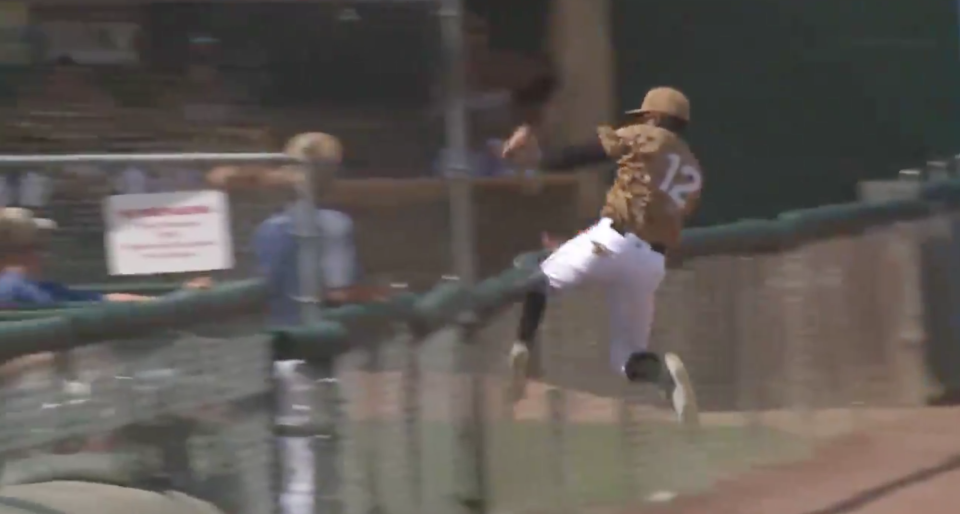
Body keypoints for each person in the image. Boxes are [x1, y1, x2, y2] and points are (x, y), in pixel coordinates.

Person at [501, 86, 702, 426]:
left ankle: (522, 347)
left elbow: (584, 155)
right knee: (627, 357)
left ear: (654, 117)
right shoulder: (694, 170)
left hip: (612, 240)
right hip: (652, 261)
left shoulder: (645, 135)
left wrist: (536, 156)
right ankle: (664, 376)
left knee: (538, 278)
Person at [0, 207, 210, 306]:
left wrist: (175, 298)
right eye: (41, 243)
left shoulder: (42, 287)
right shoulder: (12, 288)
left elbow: (106, 300)